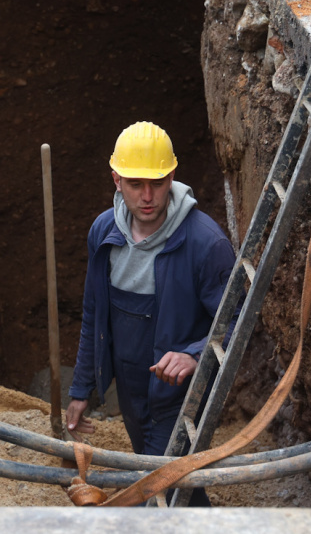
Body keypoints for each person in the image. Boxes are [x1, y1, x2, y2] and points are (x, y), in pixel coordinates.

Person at [65, 121, 239, 506]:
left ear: (172, 177)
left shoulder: (204, 243)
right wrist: (80, 390)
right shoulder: (103, 233)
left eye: (157, 184)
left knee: (157, 492)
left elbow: (238, 320)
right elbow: (93, 314)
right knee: (175, 488)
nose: (147, 197)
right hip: (131, 391)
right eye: (135, 184)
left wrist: (195, 354)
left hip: (178, 395)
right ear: (116, 180)